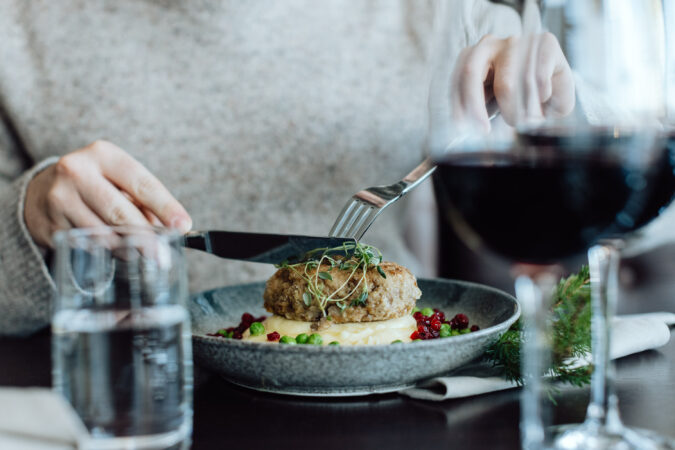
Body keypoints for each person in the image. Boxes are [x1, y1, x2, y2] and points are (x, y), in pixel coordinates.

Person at [0, 0, 573, 336]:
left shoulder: (447, 14)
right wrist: (28, 215)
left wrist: (563, 106)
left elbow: (637, 209)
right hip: (126, 397)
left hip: (399, 405)